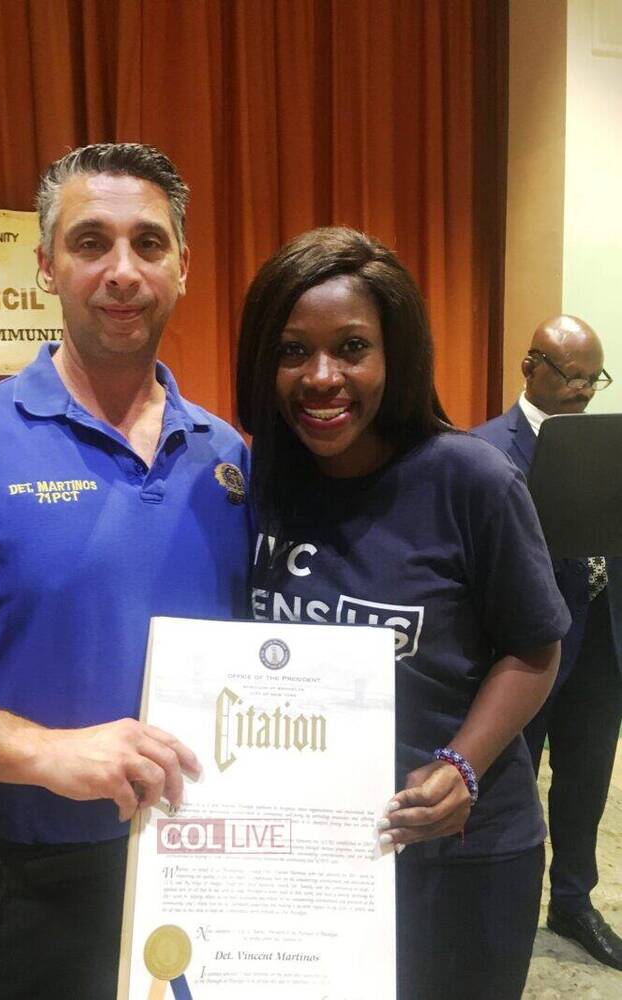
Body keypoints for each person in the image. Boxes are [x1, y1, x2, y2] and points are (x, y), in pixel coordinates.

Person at [0, 143, 251, 999]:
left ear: (184, 267)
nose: (122, 270)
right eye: (90, 242)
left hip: (208, 884)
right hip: (19, 908)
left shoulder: (228, 459)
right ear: (45, 266)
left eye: (148, 243)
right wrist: (40, 751)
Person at [237, 227, 569, 1000]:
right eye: (293, 351)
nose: (322, 376)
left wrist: (462, 764)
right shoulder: (255, 483)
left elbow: (535, 649)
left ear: (397, 355)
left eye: (352, 348)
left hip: (461, 855)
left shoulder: (472, 480)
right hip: (308, 851)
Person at [472, 315, 622, 970]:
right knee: (512, 784)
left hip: (602, 642)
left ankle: (573, 901)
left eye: (595, 377)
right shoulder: (481, 450)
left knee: (586, 781)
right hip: (526, 654)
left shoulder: (607, 443)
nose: (584, 389)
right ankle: (503, 906)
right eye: (571, 375)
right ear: (531, 366)